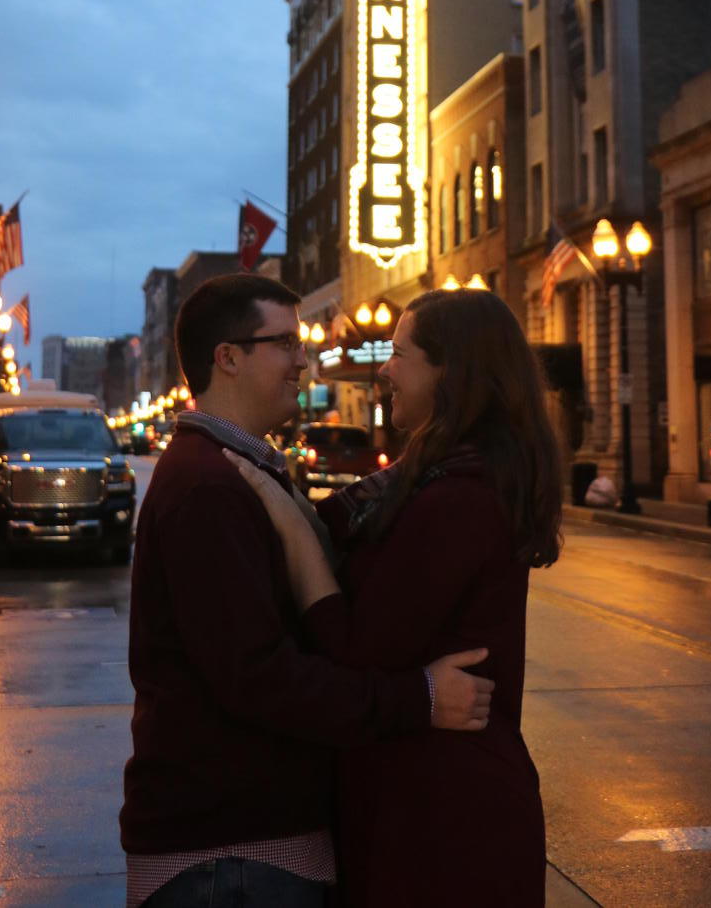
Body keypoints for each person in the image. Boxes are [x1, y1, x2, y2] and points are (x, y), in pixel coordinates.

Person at [120, 273, 494, 908]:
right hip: (231, 860)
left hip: (247, 850)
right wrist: (419, 698)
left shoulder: (239, 470)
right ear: (229, 358)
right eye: (285, 343)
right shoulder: (209, 488)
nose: (304, 358)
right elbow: (259, 677)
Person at [227, 286, 563, 908]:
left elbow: (357, 650)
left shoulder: (459, 500)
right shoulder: (433, 481)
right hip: (422, 803)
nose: (383, 367)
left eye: (401, 353)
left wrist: (292, 529)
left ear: (449, 373)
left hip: (445, 825)